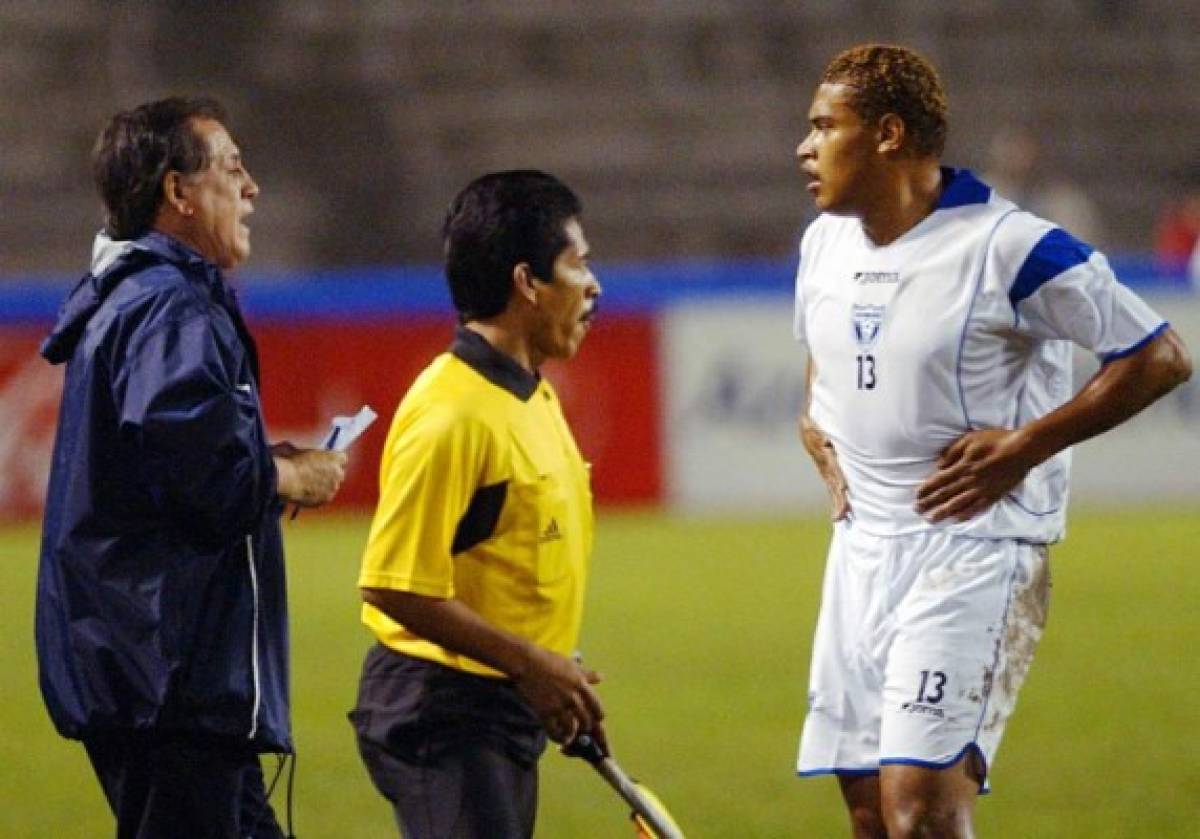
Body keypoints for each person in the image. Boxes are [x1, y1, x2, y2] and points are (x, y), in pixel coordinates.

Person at [791, 45, 1191, 838]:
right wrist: (818, 424)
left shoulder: (1008, 246)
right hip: (861, 551)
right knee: (872, 815)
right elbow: (825, 362)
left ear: (888, 135)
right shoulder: (825, 244)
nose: (804, 147)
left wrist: (1028, 444)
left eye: (824, 126)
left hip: (972, 552)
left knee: (922, 814)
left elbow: (1159, 354)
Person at [36, 97, 347, 838]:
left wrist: (263, 462)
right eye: (233, 168)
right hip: (169, 679)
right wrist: (289, 478)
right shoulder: (170, 307)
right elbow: (202, 476)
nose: (253, 188)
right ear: (178, 193)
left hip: (158, 673)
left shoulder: (137, 299)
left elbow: (170, 465)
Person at [349, 170, 605, 839]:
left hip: (503, 704)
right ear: (527, 282)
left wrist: (550, 669)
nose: (594, 287)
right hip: (441, 712)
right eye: (578, 265)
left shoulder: (532, 393)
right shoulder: (451, 415)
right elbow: (393, 584)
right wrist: (529, 661)